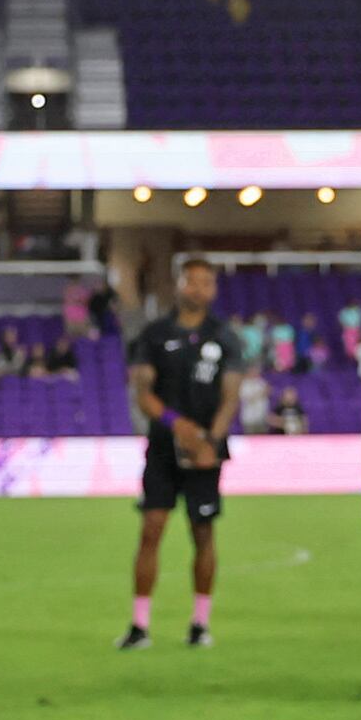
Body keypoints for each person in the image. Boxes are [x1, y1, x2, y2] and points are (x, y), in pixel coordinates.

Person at [121, 256, 237, 650]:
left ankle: (200, 624)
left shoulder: (224, 338)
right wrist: (179, 426)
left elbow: (230, 395)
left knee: (203, 532)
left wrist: (210, 441)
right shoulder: (154, 335)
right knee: (151, 530)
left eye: (206, 282)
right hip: (163, 449)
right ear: (179, 285)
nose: (199, 288)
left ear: (214, 289)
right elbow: (143, 393)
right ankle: (140, 626)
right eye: (192, 281)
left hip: (205, 451)